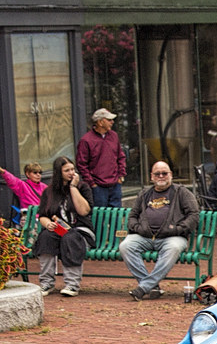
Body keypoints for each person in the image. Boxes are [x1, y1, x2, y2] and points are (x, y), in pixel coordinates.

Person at [120, 161, 200, 301]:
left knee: (174, 248)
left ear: (171, 175)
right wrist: (138, 228)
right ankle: (152, 286)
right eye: (157, 174)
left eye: (165, 173)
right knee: (126, 246)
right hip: (145, 237)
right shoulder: (144, 194)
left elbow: (194, 215)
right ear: (152, 176)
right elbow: (132, 216)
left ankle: (143, 287)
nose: (161, 176)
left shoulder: (181, 192)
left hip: (172, 237)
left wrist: (177, 229)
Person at [33, 157, 95, 297]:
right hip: (58, 230)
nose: (71, 173)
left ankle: (72, 284)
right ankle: (46, 283)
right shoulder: (49, 192)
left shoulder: (83, 187)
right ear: (58, 172)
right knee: (45, 237)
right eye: (67, 170)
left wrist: (73, 187)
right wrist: (47, 223)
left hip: (81, 230)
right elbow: (42, 215)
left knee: (70, 238)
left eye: (73, 169)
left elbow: (84, 211)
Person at [75, 108, 126, 207]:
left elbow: (120, 156)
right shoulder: (86, 140)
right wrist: (92, 183)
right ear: (100, 122)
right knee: (100, 217)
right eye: (109, 120)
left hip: (115, 184)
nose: (112, 122)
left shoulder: (114, 136)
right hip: (98, 187)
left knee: (116, 217)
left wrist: (120, 176)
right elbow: (81, 164)